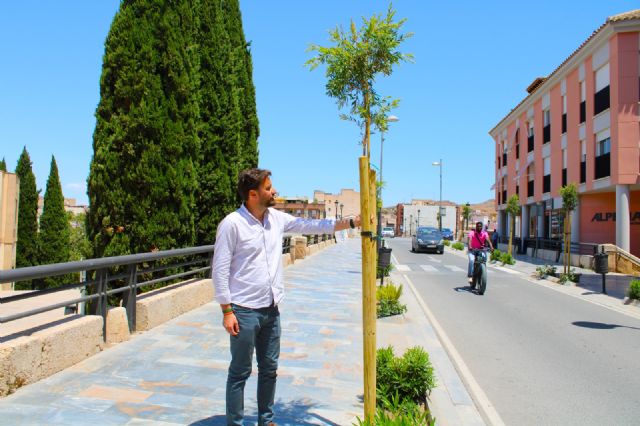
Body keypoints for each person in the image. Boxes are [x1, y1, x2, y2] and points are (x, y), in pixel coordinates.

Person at [212, 168, 357, 426]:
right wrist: (227, 311)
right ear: (253, 194)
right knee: (240, 372)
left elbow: (313, 224)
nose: (274, 191)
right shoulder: (232, 224)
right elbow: (220, 270)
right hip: (243, 311)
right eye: (269, 188)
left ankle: (266, 420)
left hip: (271, 309)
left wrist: (351, 222)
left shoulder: (276, 219)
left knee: (269, 370)